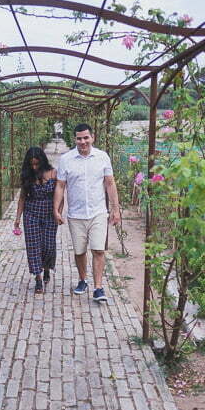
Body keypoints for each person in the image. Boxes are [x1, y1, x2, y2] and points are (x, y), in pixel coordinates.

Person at [53, 123, 120, 303]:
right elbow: (60, 185)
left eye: (86, 138)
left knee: (98, 250)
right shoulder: (66, 159)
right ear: (75, 139)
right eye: (79, 138)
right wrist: (56, 209)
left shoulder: (102, 157)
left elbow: (110, 183)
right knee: (79, 251)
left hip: (98, 212)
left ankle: (98, 288)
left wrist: (116, 209)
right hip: (76, 214)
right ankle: (83, 280)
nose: (83, 142)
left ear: (92, 137)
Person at [14, 146, 58, 294]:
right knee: (33, 246)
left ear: (42, 161)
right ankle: (38, 278)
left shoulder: (53, 173)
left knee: (48, 245)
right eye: (31, 164)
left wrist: (58, 212)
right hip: (31, 214)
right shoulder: (27, 175)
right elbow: (22, 198)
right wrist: (17, 219)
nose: (34, 167)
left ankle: (46, 268)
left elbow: (60, 194)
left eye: (37, 164)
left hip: (49, 215)